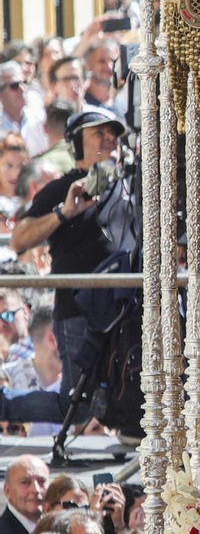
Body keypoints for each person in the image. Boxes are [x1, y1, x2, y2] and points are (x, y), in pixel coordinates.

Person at [5, 108, 130, 426]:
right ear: (76, 144)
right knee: (75, 404)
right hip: (76, 308)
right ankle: (4, 405)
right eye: (98, 134)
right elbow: (19, 240)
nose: (109, 140)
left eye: (112, 134)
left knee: (122, 390)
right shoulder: (59, 190)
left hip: (122, 306)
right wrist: (64, 213)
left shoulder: (129, 187)